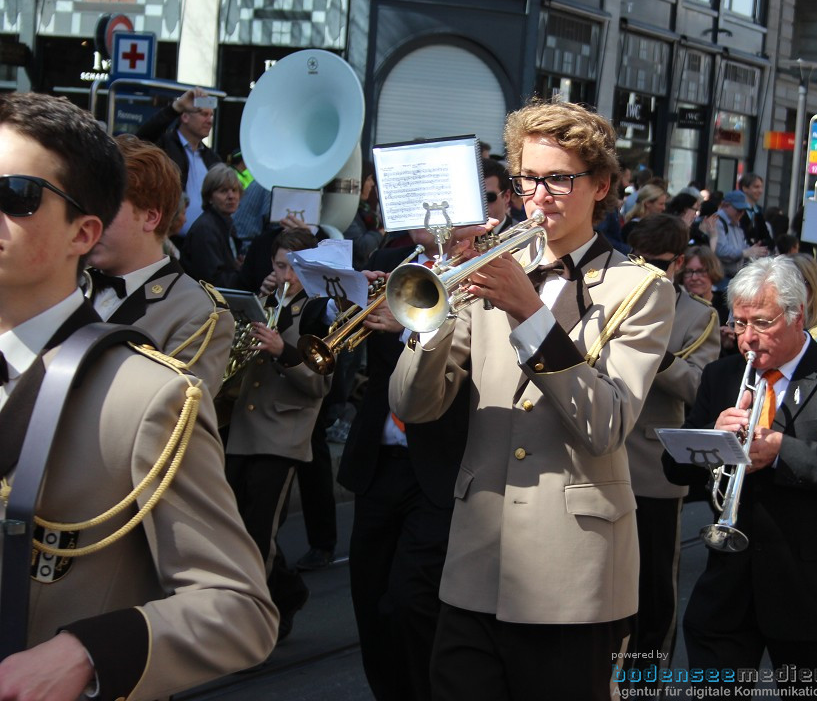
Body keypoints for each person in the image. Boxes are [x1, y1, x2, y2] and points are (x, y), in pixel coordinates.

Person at [388, 99, 676, 699]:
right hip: (476, 562)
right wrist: (434, 315)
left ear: (600, 187)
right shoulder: (494, 266)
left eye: (559, 179)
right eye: (528, 180)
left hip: (574, 577)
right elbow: (415, 405)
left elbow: (607, 424)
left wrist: (529, 311)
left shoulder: (642, 288)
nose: (539, 196)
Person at [0, 91, 275, 700]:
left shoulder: (153, 392)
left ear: (84, 230)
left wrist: (90, 651)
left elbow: (239, 607)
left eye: (14, 196)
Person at [662, 256, 817, 699]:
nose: (748, 338)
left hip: (814, 597)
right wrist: (712, 441)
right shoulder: (722, 374)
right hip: (728, 595)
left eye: (762, 323)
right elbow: (676, 471)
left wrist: (784, 451)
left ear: (796, 315)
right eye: (740, 322)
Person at [339, 227, 472, 701]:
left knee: (414, 602)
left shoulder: (475, 268)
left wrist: (411, 325)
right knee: (370, 599)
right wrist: (347, 299)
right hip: (380, 458)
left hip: (439, 460)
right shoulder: (389, 259)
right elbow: (351, 344)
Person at [622, 215, 722, 686]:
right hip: (592, 458)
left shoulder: (699, 316)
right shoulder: (606, 297)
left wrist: (655, 353)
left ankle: (645, 683)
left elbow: (701, 387)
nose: (646, 273)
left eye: (658, 265)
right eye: (636, 262)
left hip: (651, 471)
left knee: (653, 591)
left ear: (680, 263)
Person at [224, 228, 332, 642]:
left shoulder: (320, 311)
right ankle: (286, 591)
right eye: (278, 265)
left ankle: (256, 625)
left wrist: (282, 349)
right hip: (244, 427)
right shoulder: (265, 301)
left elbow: (320, 384)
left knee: (256, 534)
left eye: (291, 267)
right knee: (234, 527)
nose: (283, 274)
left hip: (284, 432)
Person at [84, 134, 234, 396]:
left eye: (104, 208)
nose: (88, 222)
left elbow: (168, 419)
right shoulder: (68, 281)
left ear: (150, 217)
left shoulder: (198, 314)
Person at [135, 87, 222, 236]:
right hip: (168, 238)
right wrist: (176, 108)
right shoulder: (164, 146)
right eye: (203, 114)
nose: (210, 120)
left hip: (203, 243)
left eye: (212, 115)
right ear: (185, 117)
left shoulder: (212, 159)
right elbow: (142, 138)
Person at [181, 164, 245, 289]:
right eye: (223, 191)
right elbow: (212, 281)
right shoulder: (206, 229)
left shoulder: (225, 224)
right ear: (209, 197)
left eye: (234, 190)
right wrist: (245, 274)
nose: (231, 196)